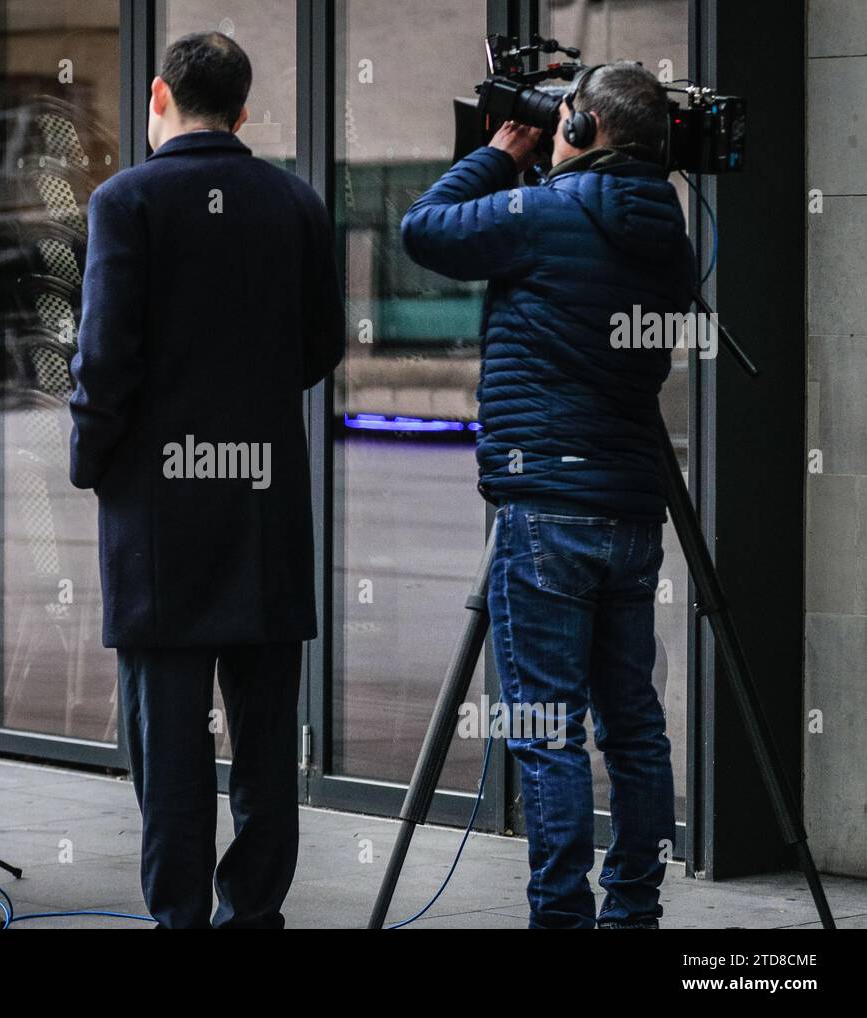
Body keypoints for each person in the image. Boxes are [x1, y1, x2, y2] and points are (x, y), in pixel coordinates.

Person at [401, 63, 695, 929]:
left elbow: (425, 231)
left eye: (566, 115)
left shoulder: (544, 212)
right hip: (632, 510)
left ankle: (559, 917)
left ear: (583, 127)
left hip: (545, 507)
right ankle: (633, 911)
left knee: (545, 728)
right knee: (633, 725)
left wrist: (499, 152)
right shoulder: (669, 231)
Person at [68, 31, 345, 928]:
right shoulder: (294, 201)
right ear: (245, 108)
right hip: (265, 506)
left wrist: (92, 460)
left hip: (160, 511)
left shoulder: (126, 200)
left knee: (169, 735)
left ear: (158, 95)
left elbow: (105, 358)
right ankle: (252, 909)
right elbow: (322, 344)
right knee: (266, 735)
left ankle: (179, 914)